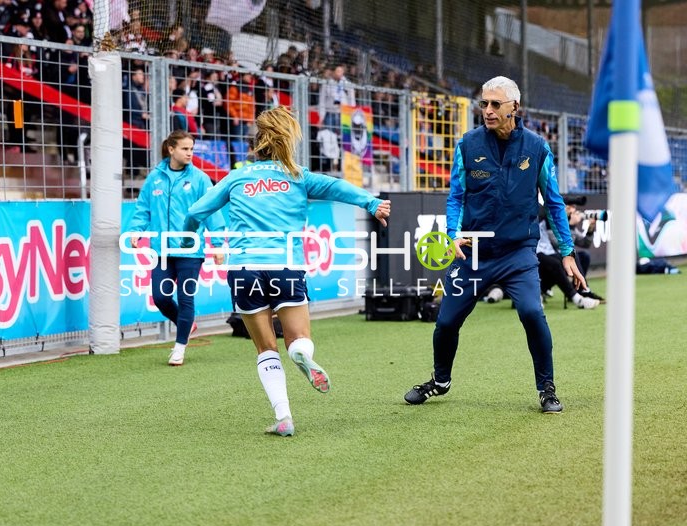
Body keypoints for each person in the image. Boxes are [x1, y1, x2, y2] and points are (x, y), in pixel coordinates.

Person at [184, 106, 391, 436]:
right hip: (285, 267)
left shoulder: (237, 177)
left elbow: (196, 210)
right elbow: (338, 187)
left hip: (244, 269)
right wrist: (371, 203)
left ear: (256, 143)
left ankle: (284, 418)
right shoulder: (298, 176)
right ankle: (300, 354)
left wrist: (187, 234)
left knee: (266, 348)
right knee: (300, 338)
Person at [403, 76, 586, 414]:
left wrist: (567, 253)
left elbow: (555, 203)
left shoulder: (537, 148)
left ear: (514, 107)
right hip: (473, 253)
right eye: (484, 103)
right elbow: (456, 196)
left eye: (494, 104)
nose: (487, 110)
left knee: (532, 312)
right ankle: (440, 381)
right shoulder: (467, 146)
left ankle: (546, 388)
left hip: (518, 254)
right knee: (445, 322)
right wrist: (454, 232)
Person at [128, 131, 225, 366]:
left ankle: (179, 347)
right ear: (171, 150)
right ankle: (186, 323)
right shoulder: (154, 178)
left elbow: (211, 212)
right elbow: (143, 208)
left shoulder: (201, 179)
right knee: (160, 297)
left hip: (190, 251)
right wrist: (136, 230)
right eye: (184, 148)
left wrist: (219, 244)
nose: (190, 153)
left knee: (185, 297)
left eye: (191, 149)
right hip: (161, 250)